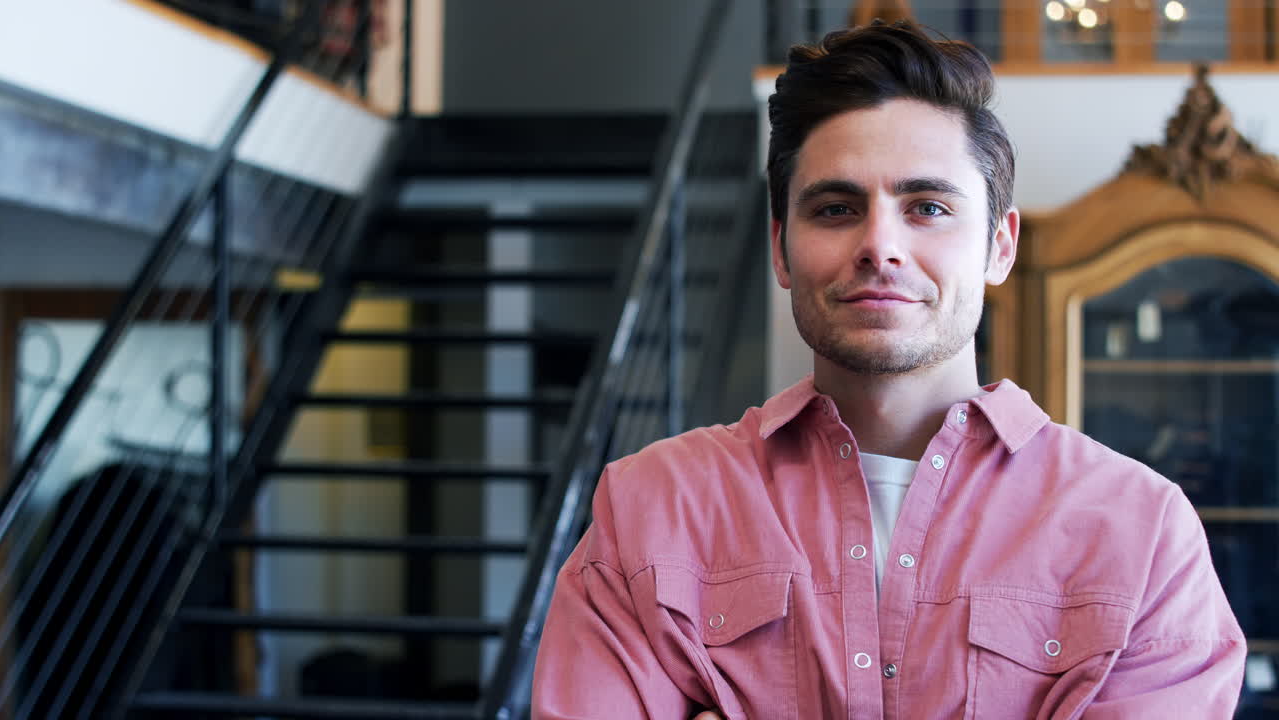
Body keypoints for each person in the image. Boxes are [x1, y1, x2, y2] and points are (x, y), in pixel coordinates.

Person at [531, 20, 1245, 719]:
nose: (880, 245)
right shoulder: (648, 509)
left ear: (999, 246)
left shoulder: (1143, 533)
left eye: (927, 207)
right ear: (782, 248)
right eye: (837, 208)